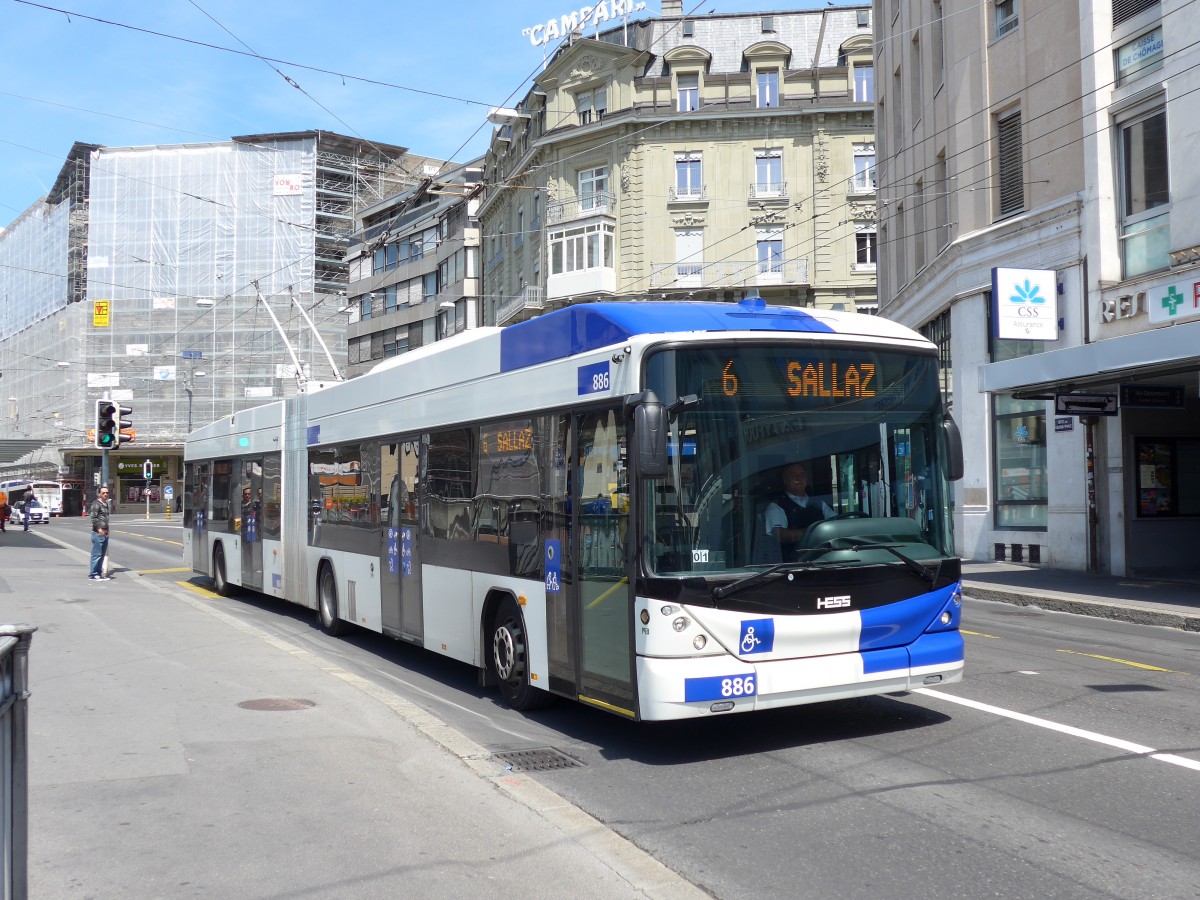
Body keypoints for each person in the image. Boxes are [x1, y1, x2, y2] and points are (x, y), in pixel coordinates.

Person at [763, 462, 835, 560]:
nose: (798, 478)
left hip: (823, 561)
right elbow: (780, 534)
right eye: (793, 475)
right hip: (793, 564)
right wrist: (817, 533)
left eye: (802, 475)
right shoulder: (776, 506)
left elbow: (835, 524)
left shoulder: (819, 503)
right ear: (785, 480)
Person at [89, 487, 112, 581]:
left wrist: (108, 531)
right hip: (98, 533)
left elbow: (106, 519)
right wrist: (99, 530)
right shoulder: (96, 504)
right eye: (103, 493)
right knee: (96, 554)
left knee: (101, 555)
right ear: (99, 494)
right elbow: (93, 518)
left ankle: (98, 573)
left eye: (107, 493)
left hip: (105, 533)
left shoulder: (105, 504)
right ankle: (93, 574)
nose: (105, 494)